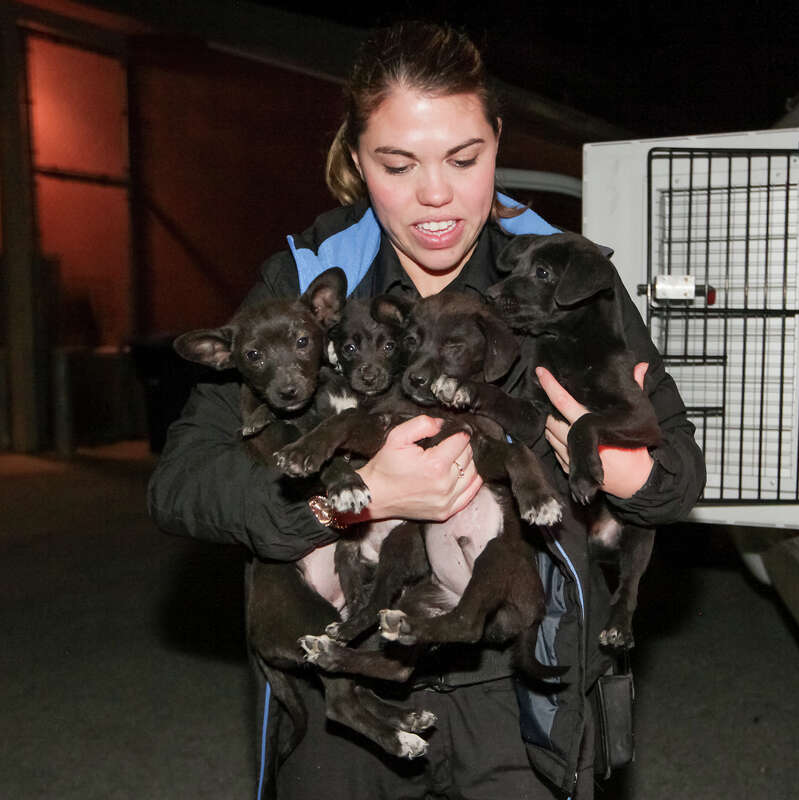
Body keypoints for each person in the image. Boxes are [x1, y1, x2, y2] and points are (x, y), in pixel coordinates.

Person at [148, 20, 705, 800]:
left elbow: (677, 479)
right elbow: (178, 485)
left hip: (520, 691)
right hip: (346, 687)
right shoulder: (309, 277)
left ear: (498, 143)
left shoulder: (561, 273)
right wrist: (351, 503)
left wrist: (598, 451)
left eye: (464, 158)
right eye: (398, 163)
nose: (435, 194)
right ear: (355, 159)